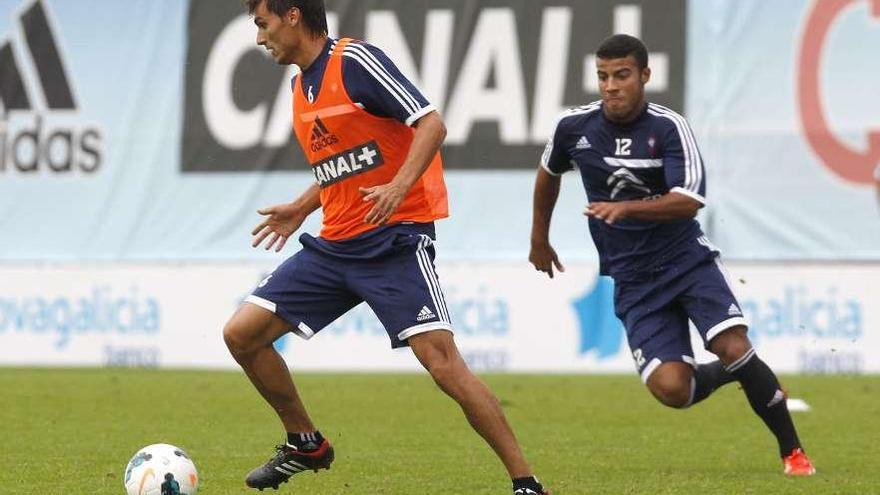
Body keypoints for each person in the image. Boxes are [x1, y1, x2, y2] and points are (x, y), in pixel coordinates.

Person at [223, 1, 549, 493]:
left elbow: (432, 124)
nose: (258, 37)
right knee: (242, 334)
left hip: (395, 239)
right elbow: (351, 162)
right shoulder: (299, 87)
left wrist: (398, 188)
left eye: (262, 24)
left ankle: (527, 483)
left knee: (442, 364)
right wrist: (303, 206)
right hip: (335, 245)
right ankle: (306, 442)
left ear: (293, 16)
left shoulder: (354, 61)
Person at [529, 34, 816, 476]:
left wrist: (628, 207)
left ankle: (793, 453)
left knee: (733, 345)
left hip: (685, 261)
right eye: (603, 77)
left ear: (645, 75)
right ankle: (727, 373)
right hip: (633, 278)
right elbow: (549, 174)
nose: (611, 86)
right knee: (672, 391)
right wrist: (538, 239)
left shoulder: (667, 128)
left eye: (622, 75)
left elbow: (690, 199)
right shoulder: (575, 128)